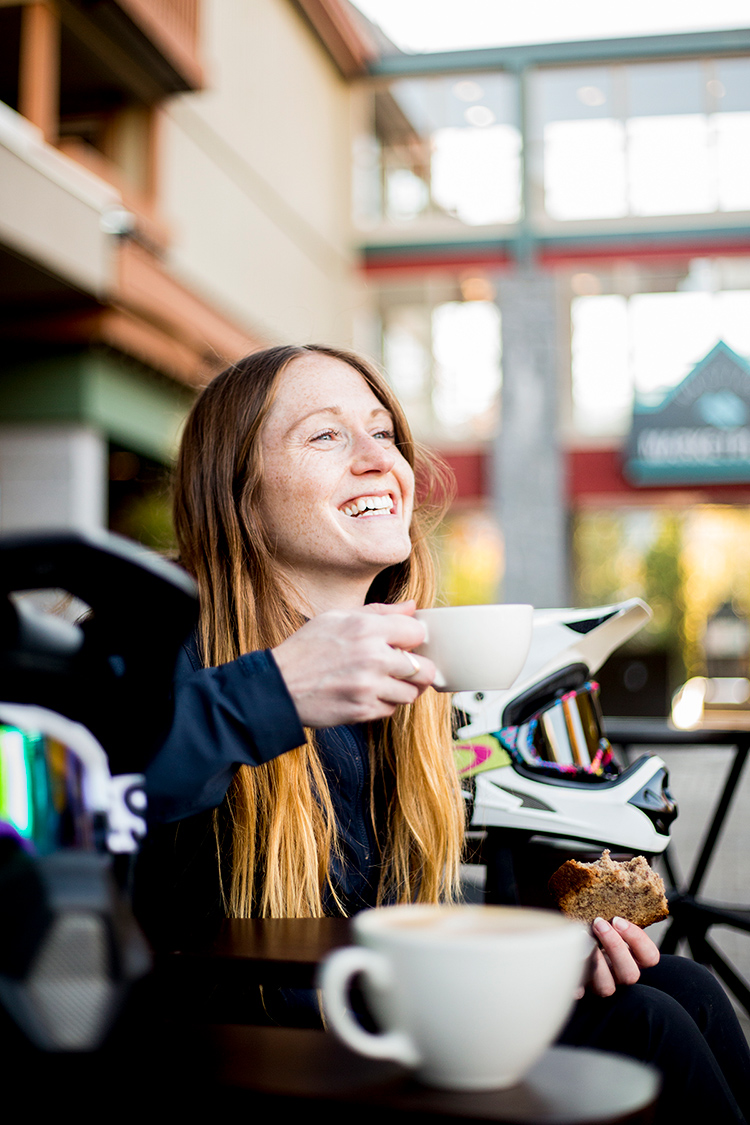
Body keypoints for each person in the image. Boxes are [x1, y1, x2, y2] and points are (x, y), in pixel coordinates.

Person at [137, 343, 749, 1123]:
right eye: (326, 436)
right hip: (258, 1064)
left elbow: (389, 928)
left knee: (680, 989)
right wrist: (272, 694)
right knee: (646, 1027)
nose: (378, 460)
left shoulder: (404, 679)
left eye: (383, 433)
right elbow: (88, 799)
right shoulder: (166, 644)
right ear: (237, 490)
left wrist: (525, 968)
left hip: (378, 1026)